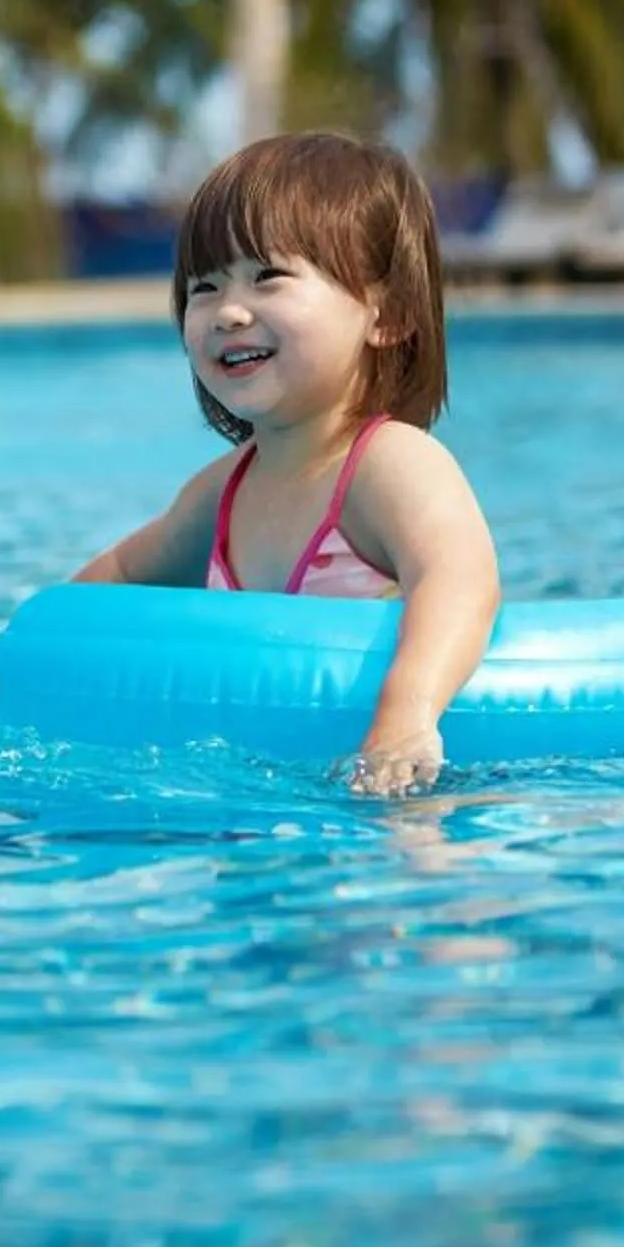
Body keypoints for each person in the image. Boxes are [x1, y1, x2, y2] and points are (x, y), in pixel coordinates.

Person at [73, 132, 501, 795]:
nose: (229, 312)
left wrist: (406, 716)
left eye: (268, 278)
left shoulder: (388, 466)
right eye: (204, 287)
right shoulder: (222, 492)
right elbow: (122, 575)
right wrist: (40, 662)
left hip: (395, 796)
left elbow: (461, 579)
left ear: (384, 314)